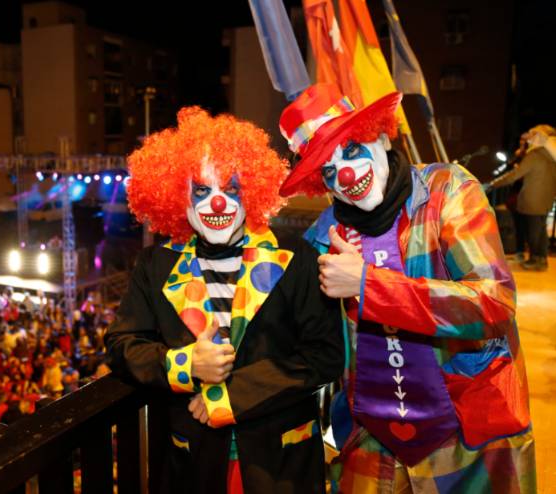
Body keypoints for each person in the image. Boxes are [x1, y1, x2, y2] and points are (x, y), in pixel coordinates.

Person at [278, 83, 535, 492]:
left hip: (467, 433)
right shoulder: (323, 237)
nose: (345, 175)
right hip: (373, 436)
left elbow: (494, 303)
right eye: (329, 170)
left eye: (352, 150)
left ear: (381, 136)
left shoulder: (446, 191)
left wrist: (369, 284)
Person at [106, 107, 343, 494]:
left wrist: (233, 395)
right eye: (202, 191)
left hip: (281, 464)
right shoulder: (156, 265)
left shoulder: (296, 257)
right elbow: (121, 345)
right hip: (194, 464)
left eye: (231, 189)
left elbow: (325, 354)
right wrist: (185, 364)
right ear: (178, 197)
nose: (217, 203)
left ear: (251, 191)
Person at [488, 124, 556, 271]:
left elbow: (515, 175)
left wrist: (493, 184)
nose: (529, 139)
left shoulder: (535, 155)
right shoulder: (551, 156)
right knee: (541, 230)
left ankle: (535, 259)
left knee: (533, 231)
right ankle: (541, 259)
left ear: (540, 137)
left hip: (533, 199)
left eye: (533, 135)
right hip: (546, 199)